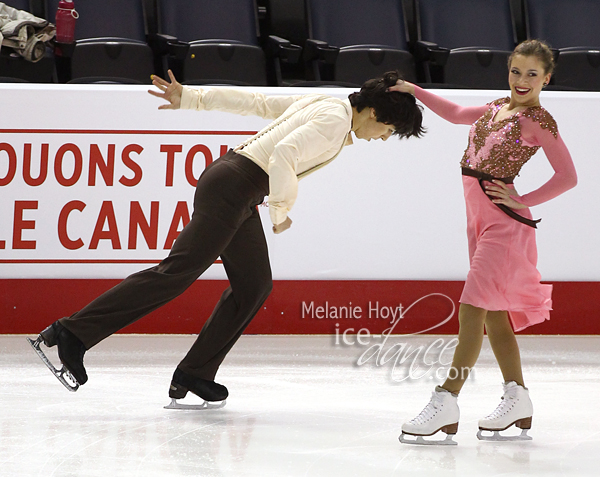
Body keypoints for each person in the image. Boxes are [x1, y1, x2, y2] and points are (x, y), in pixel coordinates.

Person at [28, 70, 425, 407]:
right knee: (175, 274)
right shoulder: (335, 121)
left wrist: (192, 98)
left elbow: (259, 103)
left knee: (254, 285)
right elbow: (284, 151)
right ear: (374, 113)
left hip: (237, 186)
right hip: (235, 187)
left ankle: (194, 372)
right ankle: (73, 332)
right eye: (388, 129)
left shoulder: (329, 105)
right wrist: (281, 209)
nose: (383, 138)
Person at [392, 40, 577, 444]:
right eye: (516, 71)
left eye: (532, 74)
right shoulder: (496, 107)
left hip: (505, 226)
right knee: (495, 316)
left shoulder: (538, 121)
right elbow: (457, 113)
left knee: (473, 309)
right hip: (478, 222)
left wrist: (522, 199)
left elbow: (568, 176)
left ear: (547, 78)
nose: (522, 81)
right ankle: (518, 398)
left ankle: (445, 401)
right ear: (508, 71)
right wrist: (416, 91)